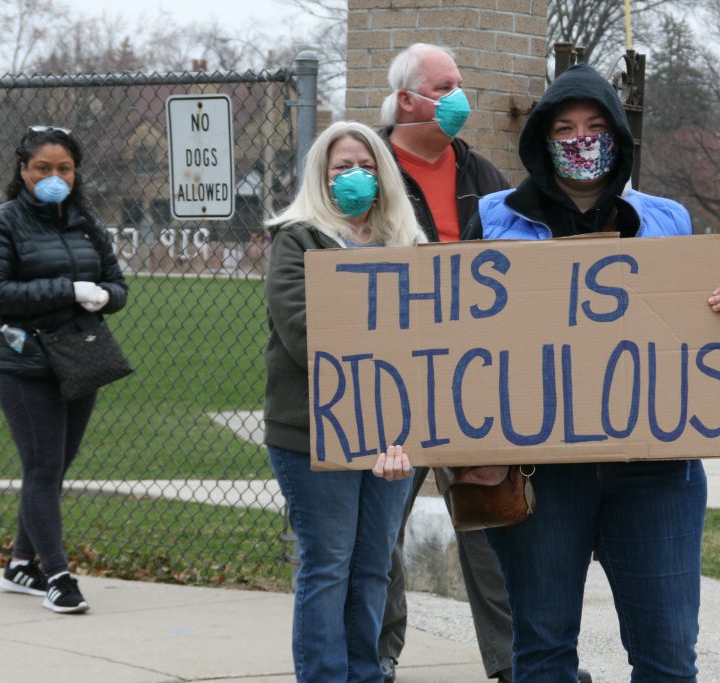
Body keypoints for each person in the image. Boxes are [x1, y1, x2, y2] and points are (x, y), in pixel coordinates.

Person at [463, 63, 720, 682]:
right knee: (541, 655)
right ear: (542, 138)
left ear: (619, 138)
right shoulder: (493, 220)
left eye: (596, 126)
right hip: (541, 475)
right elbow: (457, 348)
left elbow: (691, 353)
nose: (580, 139)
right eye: (564, 127)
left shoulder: (668, 219)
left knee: (669, 658)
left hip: (655, 476)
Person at [377, 43, 561, 683]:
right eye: (445, 85)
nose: (459, 96)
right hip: (392, 380)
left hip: (473, 379)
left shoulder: (483, 175)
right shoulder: (365, 172)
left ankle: (516, 663)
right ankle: (377, 655)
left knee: (493, 522)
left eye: (461, 82)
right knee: (379, 528)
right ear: (407, 100)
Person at [263, 120, 422, 682]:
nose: (354, 176)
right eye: (340, 168)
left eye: (364, 165)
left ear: (383, 173)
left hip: (396, 436)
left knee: (374, 567)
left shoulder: (409, 243)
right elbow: (301, 328)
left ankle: (366, 674)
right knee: (328, 566)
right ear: (321, 178)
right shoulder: (297, 238)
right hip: (312, 430)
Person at [0, 125, 129, 614]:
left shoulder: (85, 222)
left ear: (75, 172)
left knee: (55, 467)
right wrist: (69, 289)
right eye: (43, 168)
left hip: (78, 356)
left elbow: (116, 284)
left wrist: (105, 296)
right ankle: (57, 576)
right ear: (22, 171)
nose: (54, 177)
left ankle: (21, 564)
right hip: (24, 362)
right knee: (41, 466)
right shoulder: (2, 223)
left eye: (63, 168)